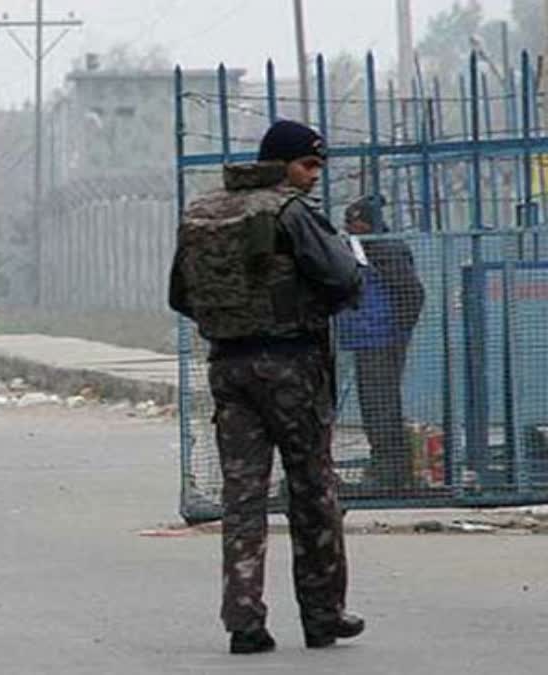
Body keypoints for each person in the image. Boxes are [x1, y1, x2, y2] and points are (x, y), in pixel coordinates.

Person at [169, 119, 365, 654]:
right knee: (313, 490)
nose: (312, 177)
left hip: (228, 367)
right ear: (281, 164)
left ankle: (245, 621)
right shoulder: (291, 212)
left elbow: (181, 295)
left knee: (243, 495)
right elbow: (343, 277)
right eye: (308, 165)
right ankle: (324, 614)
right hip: (290, 367)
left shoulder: (203, 212)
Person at [337, 195, 425, 490]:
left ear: (367, 223)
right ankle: (389, 466)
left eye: (354, 221)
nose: (348, 227)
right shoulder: (367, 248)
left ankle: (390, 470)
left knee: (380, 404)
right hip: (370, 338)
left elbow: (412, 293)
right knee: (377, 403)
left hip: (381, 339)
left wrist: (397, 331)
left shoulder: (384, 250)